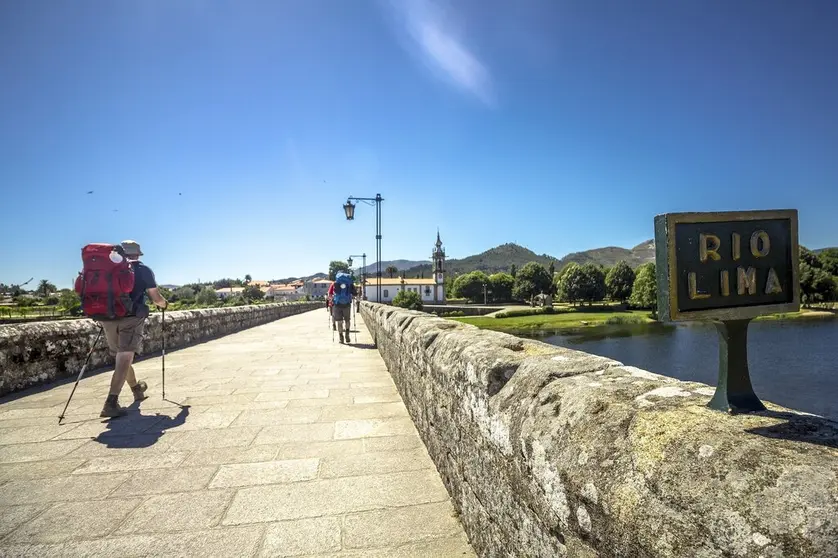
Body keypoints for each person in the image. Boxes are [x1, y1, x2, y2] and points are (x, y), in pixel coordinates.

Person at [99, 240, 168, 418]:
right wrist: (164, 304)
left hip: (107, 317)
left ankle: (136, 389)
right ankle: (111, 402)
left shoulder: (107, 268)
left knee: (120, 356)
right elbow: (156, 298)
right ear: (137, 254)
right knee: (124, 356)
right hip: (131, 318)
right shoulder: (143, 270)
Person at [331, 272, 355, 343]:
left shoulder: (335, 283)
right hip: (347, 304)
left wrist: (332, 299)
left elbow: (330, 294)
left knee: (339, 322)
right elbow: (354, 293)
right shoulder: (349, 283)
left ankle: (341, 338)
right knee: (347, 320)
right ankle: (347, 335)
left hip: (337, 304)